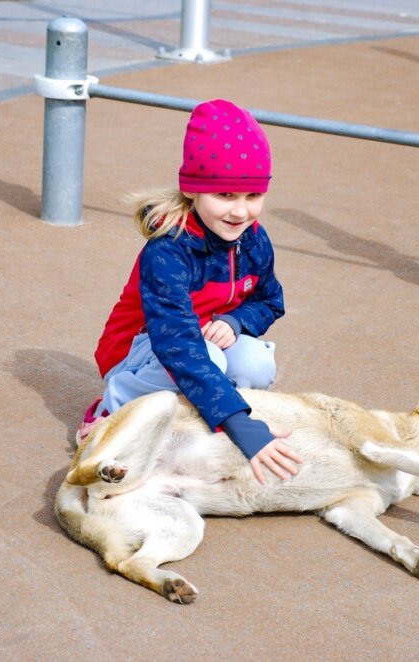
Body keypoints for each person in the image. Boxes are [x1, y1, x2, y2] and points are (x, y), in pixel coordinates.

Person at [80, 98, 303, 484]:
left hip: (201, 342)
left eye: (253, 196)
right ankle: (112, 411)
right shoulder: (168, 249)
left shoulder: (253, 239)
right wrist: (242, 424)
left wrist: (237, 320)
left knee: (256, 363)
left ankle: (198, 415)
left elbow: (270, 300)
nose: (240, 212)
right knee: (209, 361)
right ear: (194, 191)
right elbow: (177, 345)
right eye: (225, 196)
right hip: (141, 348)